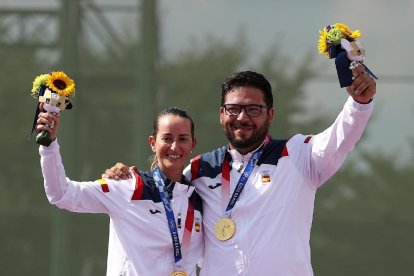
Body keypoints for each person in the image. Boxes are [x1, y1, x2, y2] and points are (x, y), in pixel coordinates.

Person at [104, 66, 376, 275]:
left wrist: (359, 105)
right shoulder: (200, 168)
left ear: (270, 115)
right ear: (222, 114)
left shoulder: (296, 156)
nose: (242, 118)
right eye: (234, 109)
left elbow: (341, 138)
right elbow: (163, 188)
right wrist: (126, 176)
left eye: (253, 109)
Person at [37, 106, 203, 276]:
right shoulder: (128, 186)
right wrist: (49, 146)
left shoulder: (199, 199)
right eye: (167, 138)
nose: (174, 147)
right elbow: (61, 193)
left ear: (193, 144)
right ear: (153, 143)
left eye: (182, 139)